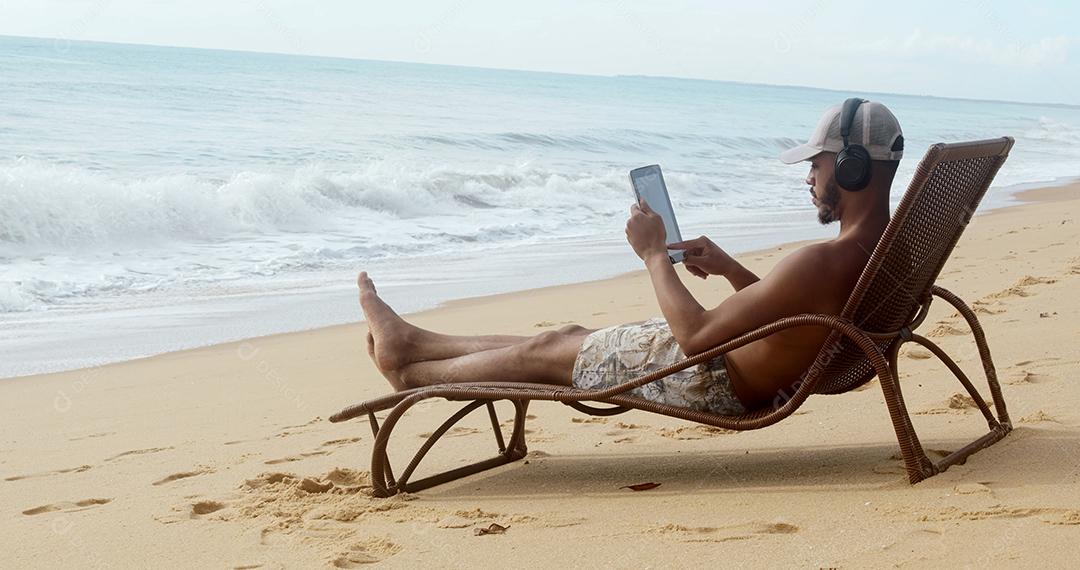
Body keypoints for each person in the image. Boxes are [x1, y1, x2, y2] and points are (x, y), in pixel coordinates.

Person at [359, 99, 904, 413]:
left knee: (550, 349)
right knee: (568, 336)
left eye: (818, 163)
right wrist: (732, 269)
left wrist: (652, 255)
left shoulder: (824, 260)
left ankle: (414, 377)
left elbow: (694, 337)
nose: (810, 176)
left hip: (707, 376)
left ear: (852, 166)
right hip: (738, 366)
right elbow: (798, 318)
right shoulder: (880, 250)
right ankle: (415, 346)